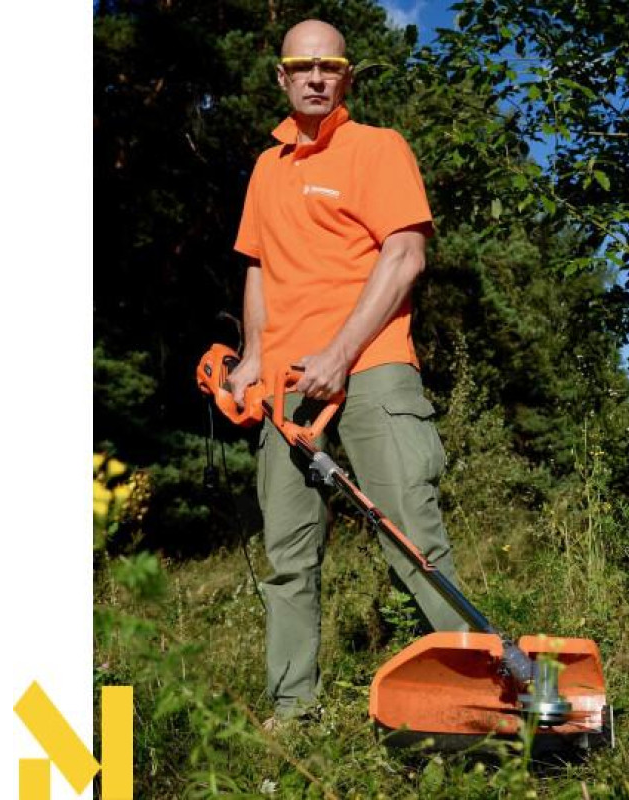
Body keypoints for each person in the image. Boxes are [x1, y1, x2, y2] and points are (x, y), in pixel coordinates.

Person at [226, 19, 469, 729]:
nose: (315, 77)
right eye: (301, 66)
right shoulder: (266, 168)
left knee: (411, 536)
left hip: (373, 367)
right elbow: (259, 269)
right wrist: (253, 356)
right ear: (281, 77)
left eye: (328, 66)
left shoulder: (378, 148)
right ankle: (293, 710)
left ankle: (477, 697)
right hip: (286, 389)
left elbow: (405, 256)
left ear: (347, 76)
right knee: (288, 558)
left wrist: (339, 352)